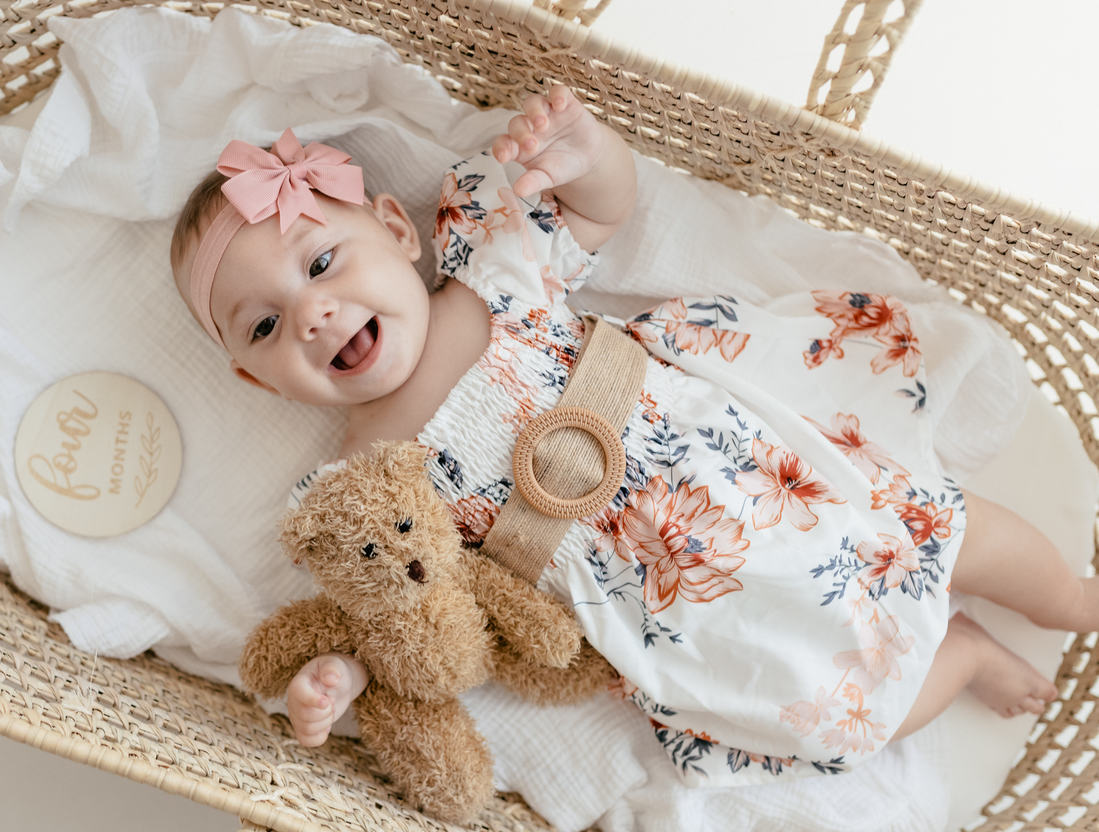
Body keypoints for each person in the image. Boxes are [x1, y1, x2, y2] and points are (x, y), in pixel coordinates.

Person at [170, 86, 1071, 784]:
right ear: (257, 380)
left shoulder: (493, 267)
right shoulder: (356, 485)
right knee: (834, 722)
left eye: (323, 262)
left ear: (398, 230)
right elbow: (400, 607)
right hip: (662, 611)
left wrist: (589, 152)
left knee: (940, 528)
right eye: (265, 326)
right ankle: (961, 655)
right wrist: (342, 675)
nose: (314, 315)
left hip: (746, 474)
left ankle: (1066, 597)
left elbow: (601, 211)